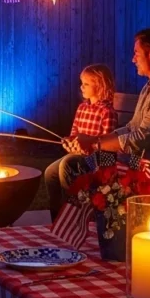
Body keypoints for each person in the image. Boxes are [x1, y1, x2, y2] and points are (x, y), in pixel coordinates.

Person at [51, 28, 150, 217]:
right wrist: (94, 140)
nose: (133, 59)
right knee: (55, 171)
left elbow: (140, 139)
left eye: (136, 53)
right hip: (136, 157)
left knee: (72, 164)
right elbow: (132, 127)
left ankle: (93, 225)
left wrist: (94, 143)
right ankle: (65, 223)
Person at [44, 64, 119, 219]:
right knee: (50, 172)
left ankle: (73, 214)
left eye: (86, 84)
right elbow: (74, 134)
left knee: (66, 165)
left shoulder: (107, 112)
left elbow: (108, 145)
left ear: (99, 85)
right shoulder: (82, 108)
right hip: (78, 154)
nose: (81, 87)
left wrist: (87, 149)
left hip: (96, 158)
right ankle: (57, 217)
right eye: (82, 83)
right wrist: (68, 142)